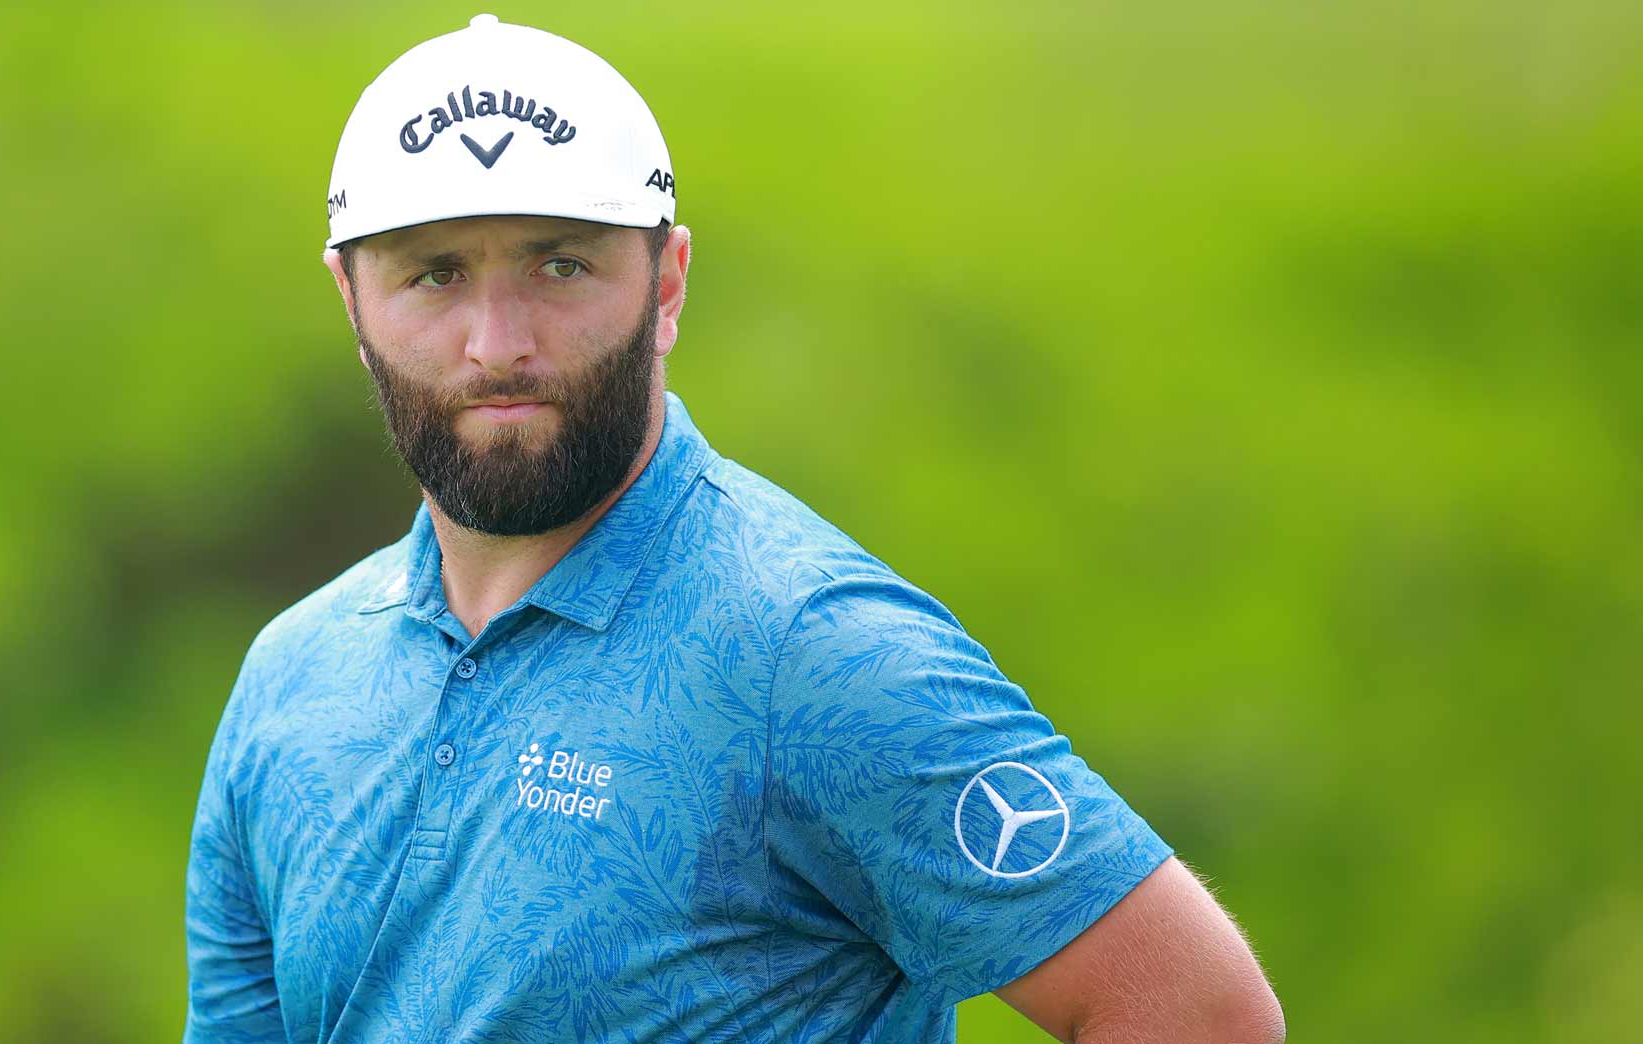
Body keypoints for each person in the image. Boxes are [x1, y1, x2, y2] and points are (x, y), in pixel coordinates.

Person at [183, 13, 1285, 1043]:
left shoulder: (813, 652)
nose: (495, 343)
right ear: (351, 302)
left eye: (559, 264)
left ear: (664, 284)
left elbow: (1196, 1008)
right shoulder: (291, 680)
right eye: (433, 275)